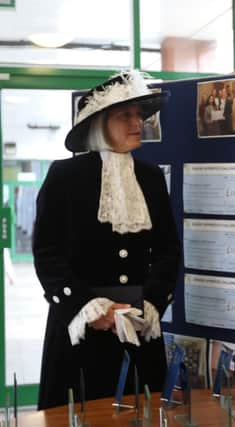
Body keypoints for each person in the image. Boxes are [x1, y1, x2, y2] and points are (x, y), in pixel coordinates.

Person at [32, 70, 180, 409]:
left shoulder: (151, 177)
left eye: (139, 115)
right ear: (100, 122)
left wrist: (153, 303)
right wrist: (90, 308)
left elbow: (168, 250)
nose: (136, 122)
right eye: (124, 115)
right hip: (81, 327)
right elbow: (47, 254)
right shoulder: (63, 177)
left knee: (141, 411)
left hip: (139, 326)